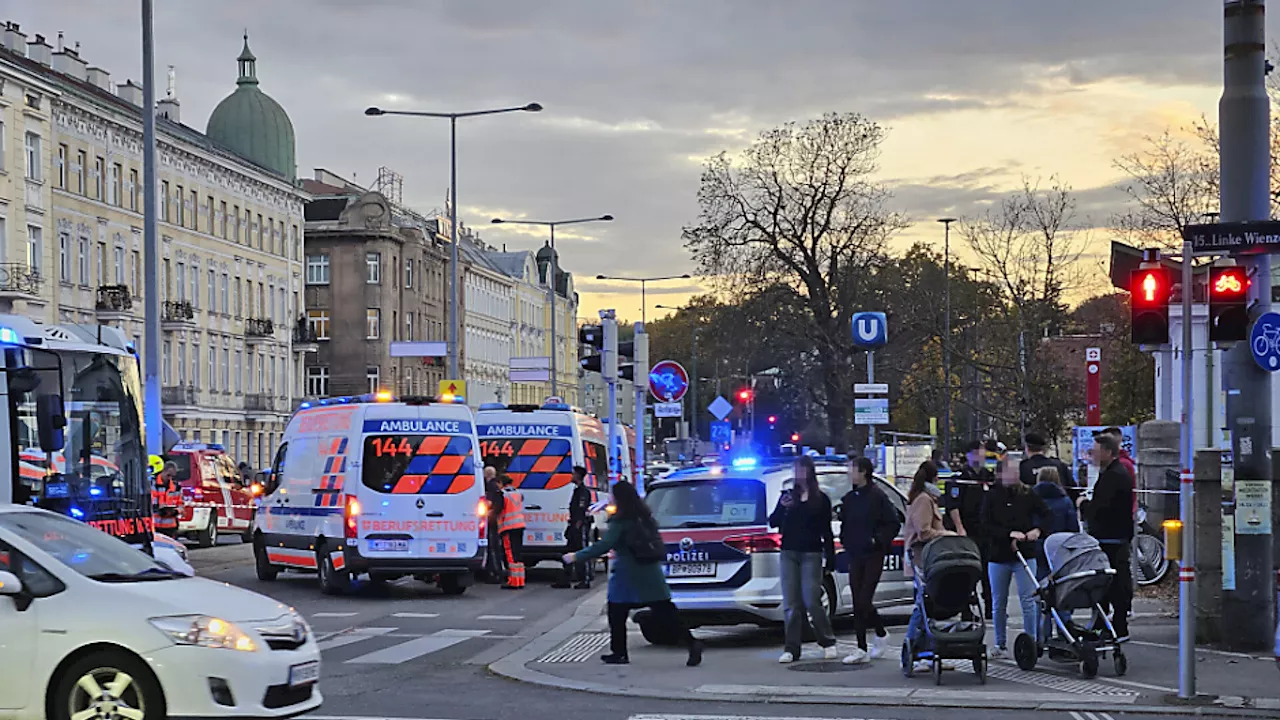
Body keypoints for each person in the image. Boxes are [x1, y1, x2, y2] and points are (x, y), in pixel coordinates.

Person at [564, 480, 703, 666]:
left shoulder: (621, 520)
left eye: (613, 495)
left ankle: (619, 652)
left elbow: (605, 545)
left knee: (616, 613)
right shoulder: (645, 516)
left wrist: (576, 556)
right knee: (666, 611)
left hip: (627, 574)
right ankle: (691, 642)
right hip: (650, 571)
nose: (611, 498)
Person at [769, 456, 838, 663]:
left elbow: (826, 531)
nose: (798, 473)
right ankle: (791, 648)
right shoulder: (788, 496)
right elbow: (773, 521)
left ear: (809, 472)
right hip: (789, 552)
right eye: (795, 469)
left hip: (811, 553)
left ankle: (827, 641)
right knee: (791, 603)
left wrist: (830, 557)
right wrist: (783, 507)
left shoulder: (821, 500)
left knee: (811, 600)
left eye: (802, 469)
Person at [981, 458, 1050, 658]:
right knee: (999, 601)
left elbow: (1047, 514)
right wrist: (1008, 534)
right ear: (1001, 474)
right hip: (999, 555)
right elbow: (985, 524)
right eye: (1011, 471)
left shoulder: (1028, 494)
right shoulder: (992, 496)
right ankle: (1000, 643)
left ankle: (1032, 641)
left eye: (1017, 471)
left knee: (1029, 599)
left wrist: (1038, 530)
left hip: (1025, 552)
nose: (1016, 475)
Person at [838, 457, 901, 664]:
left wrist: (877, 540)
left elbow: (893, 524)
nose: (850, 473)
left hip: (873, 553)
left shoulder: (878, 497)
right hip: (855, 553)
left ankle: (880, 634)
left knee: (865, 598)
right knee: (857, 599)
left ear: (863, 472)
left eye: (852, 469)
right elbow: (845, 524)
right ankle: (861, 647)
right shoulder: (849, 499)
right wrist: (846, 541)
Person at [1078, 433, 1134, 640]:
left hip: (1111, 537)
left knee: (1110, 580)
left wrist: (1083, 505)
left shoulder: (1114, 476)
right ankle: (1106, 622)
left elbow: (1102, 507)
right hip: (1114, 536)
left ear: (1108, 452)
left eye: (1096, 450)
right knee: (1111, 580)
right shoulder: (1112, 473)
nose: (1092, 454)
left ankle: (1114, 623)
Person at [902, 461, 956, 675]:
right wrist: (946, 534)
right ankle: (914, 649)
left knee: (927, 605)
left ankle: (928, 653)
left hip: (927, 558)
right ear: (934, 478)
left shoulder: (925, 498)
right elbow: (923, 531)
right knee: (922, 605)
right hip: (923, 558)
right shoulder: (924, 500)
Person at [946, 440, 994, 618]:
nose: (979, 455)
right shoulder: (959, 477)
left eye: (981, 452)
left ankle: (991, 607)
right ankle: (966, 609)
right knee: (968, 570)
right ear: (968, 455)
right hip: (968, 531)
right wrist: (959, 527)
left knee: (988, 571)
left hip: (986, 531)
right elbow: (953, 505)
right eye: (975, 452)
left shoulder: (988, 476)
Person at [554, 466, 595, 590]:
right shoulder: (577, 490)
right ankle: (565, 579)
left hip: (580, 527)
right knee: (568, 552)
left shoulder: (583, 492)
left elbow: (581, 511)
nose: (571, 476)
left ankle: (585, 579)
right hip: (573, 526)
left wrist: (578, 525)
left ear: (578, 476)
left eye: (573, 474)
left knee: (581, 552)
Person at [498, 475, 526, 590]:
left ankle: (513, 582)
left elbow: (499, 509)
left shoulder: (503, 494)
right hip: (520, 525)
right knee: (517, 554)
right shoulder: (518, 493)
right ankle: (520, 580)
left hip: (508, 527)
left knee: (510, 553)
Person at [483, 467, 506, 584]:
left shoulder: (491, 486)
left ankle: (496, 573)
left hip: (491, 521)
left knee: (492, 548)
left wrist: (489, 513)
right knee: (495, 547)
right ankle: (496, 572)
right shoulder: (496, 486)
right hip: (496, 521)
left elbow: (490, 503)